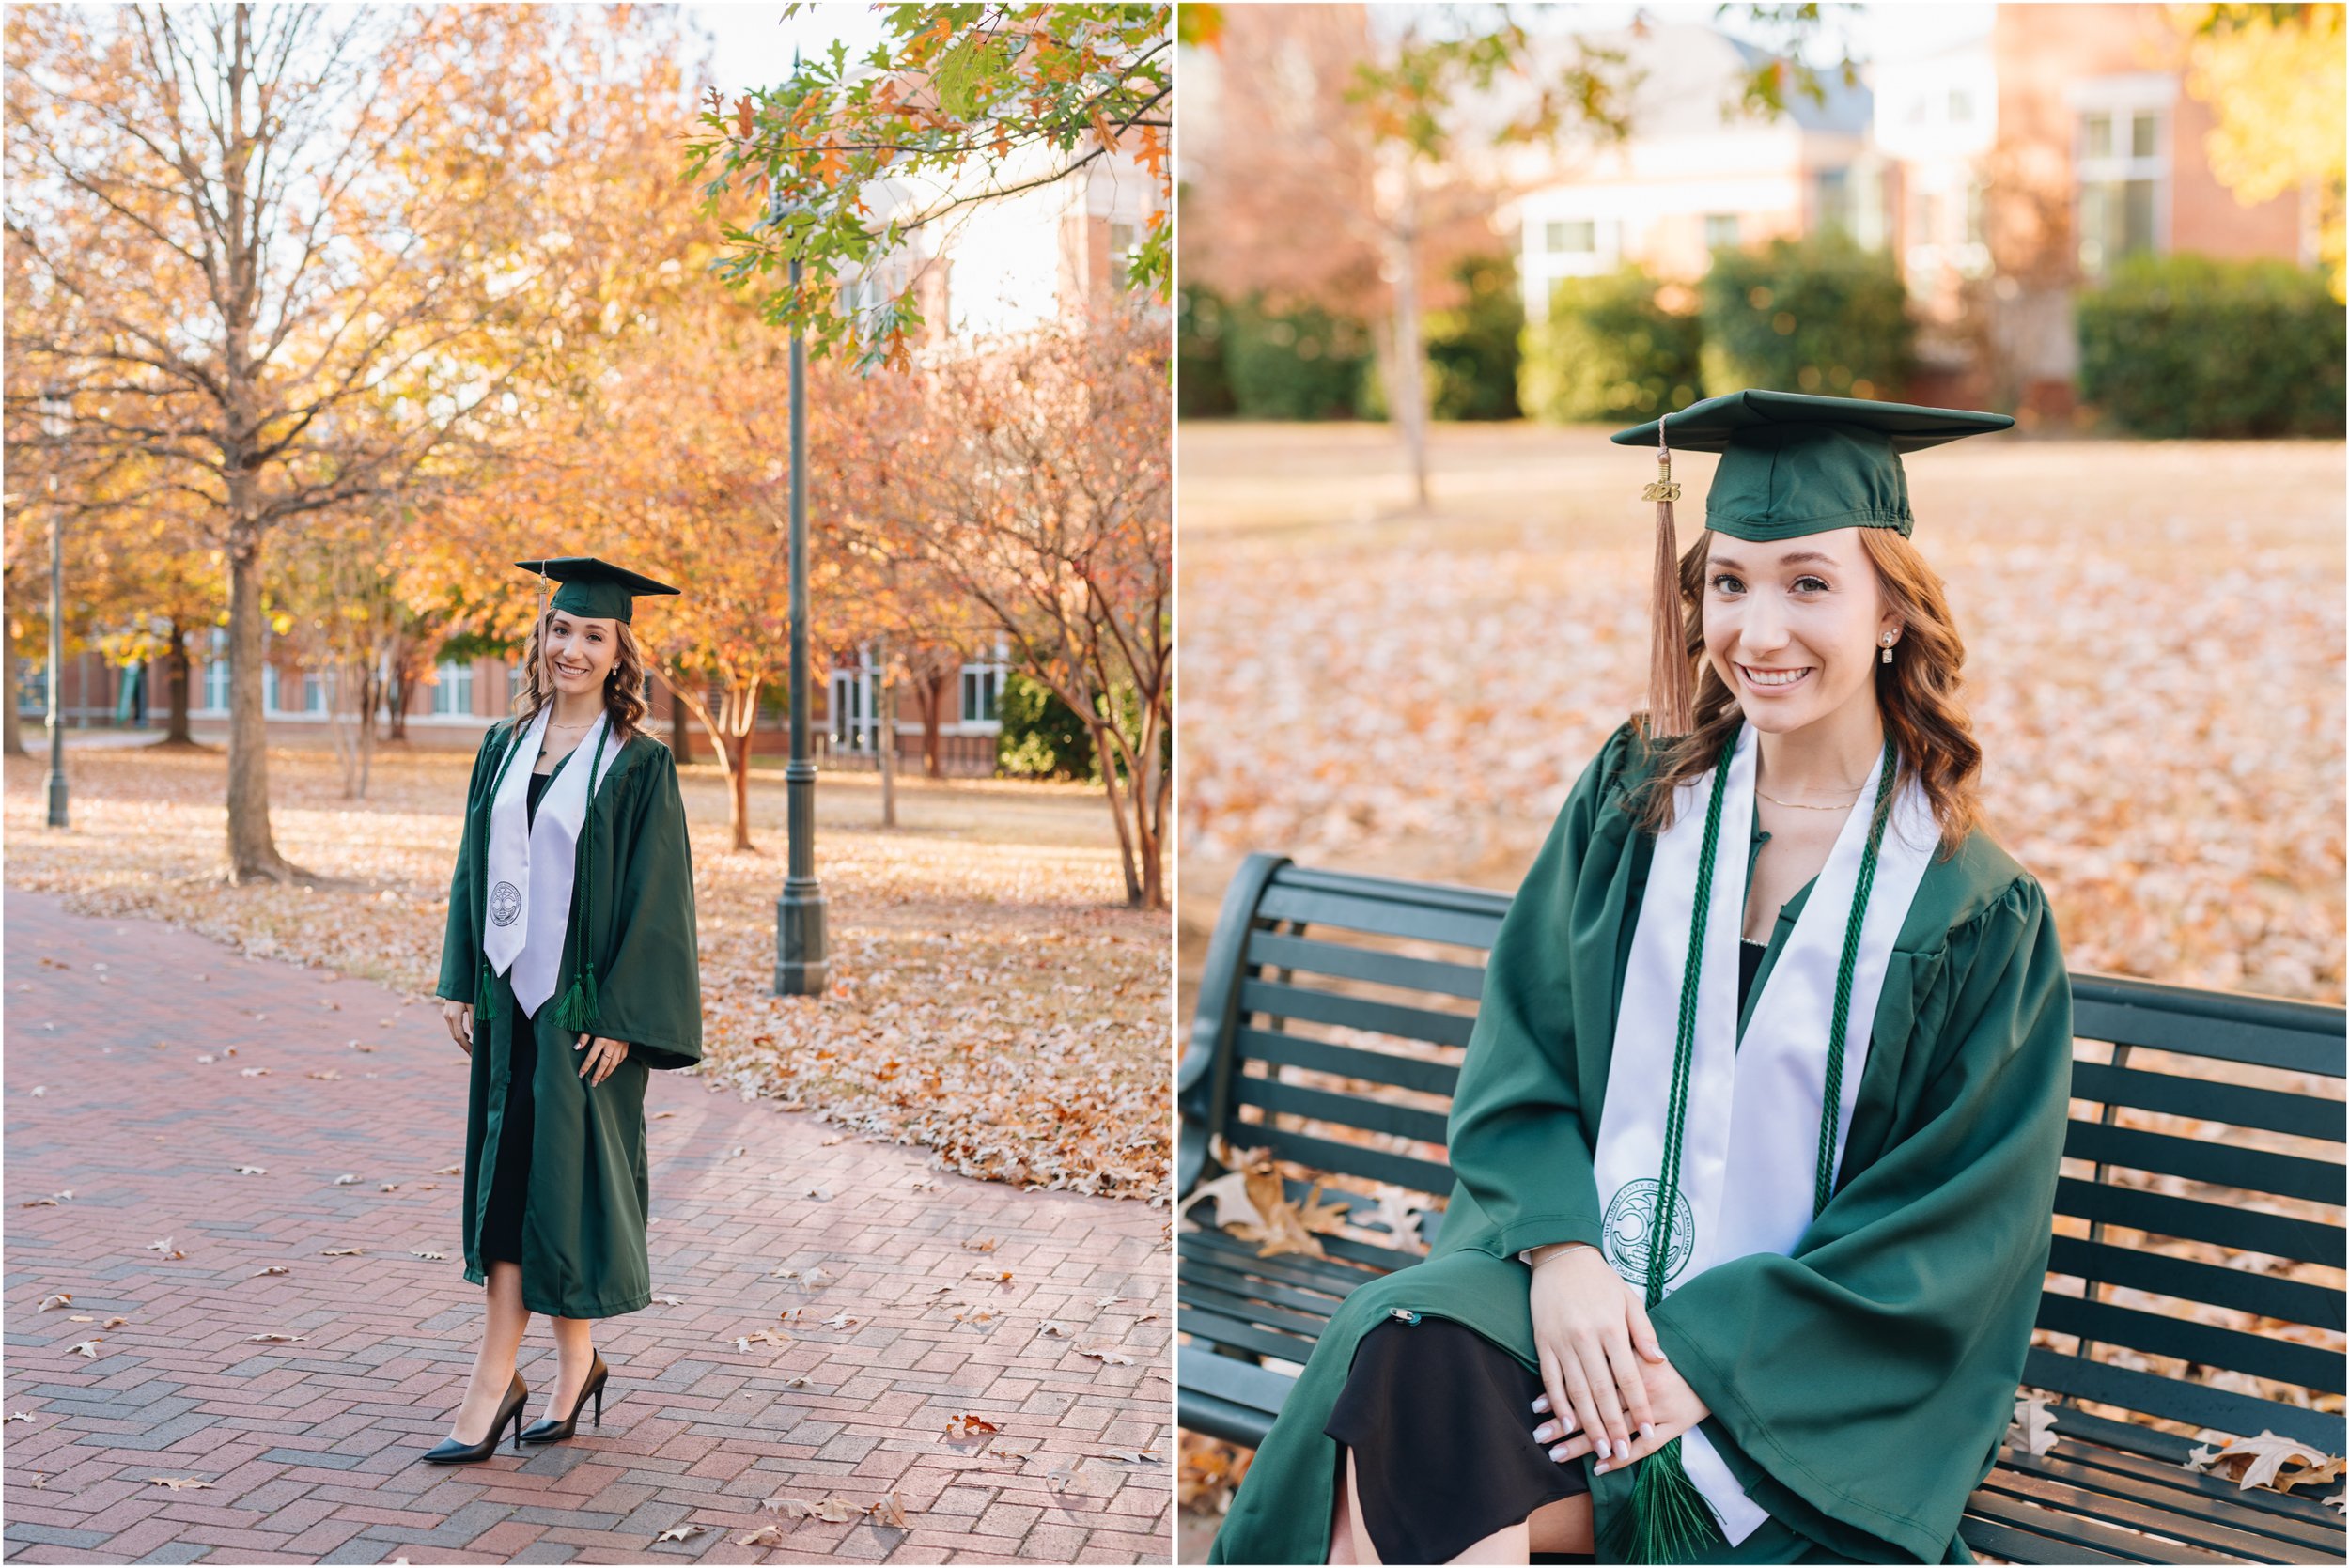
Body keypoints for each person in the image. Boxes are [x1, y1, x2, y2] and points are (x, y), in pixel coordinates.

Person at [1206, 390, 2077, 1564]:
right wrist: (1561, 1254)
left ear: (1891, 612)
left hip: (1800, 1383)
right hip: (1571, 1305)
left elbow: (1953, 1223)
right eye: (1729, 582)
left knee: (1424, 1445)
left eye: (1808, 583)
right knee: (1414, 1351)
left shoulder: (1973, 912)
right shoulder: (1640, 802)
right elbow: (1522, 1052)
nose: (1758, 632)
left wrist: (1703, 1362)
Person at [424, 555, 705, 1463]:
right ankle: (560, 1367)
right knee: (511, 1186)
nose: (572, 648)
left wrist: (625, 1014)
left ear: (620, 649)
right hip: (510, 1004)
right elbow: (475, 868)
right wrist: (463, 974)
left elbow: (660, 903)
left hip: (587, 1013)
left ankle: (495, 1383)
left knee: (570, 1191)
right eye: (560, 629)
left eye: (592, 633)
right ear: (540, 640)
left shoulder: (639, 764)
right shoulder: (503, 748)